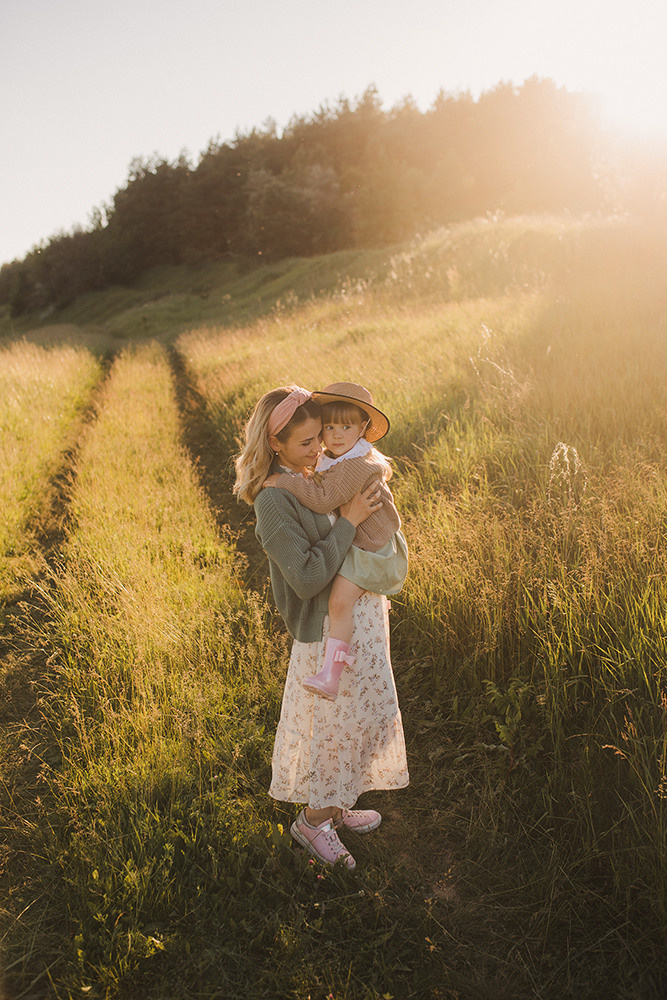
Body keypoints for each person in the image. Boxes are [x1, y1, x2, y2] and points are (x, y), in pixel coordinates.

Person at [233, 384, 409, 870]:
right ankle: (312, 823)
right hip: (325, 629)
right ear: (276, 445)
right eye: (307, 443)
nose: (318, 451)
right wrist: (349, 521)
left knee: (356, 720)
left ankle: (336, 805)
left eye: (321, 438)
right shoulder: (273, 502)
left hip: (358, 614)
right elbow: (310, 578)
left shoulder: (320, 471)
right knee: (331, 728)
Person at [262, 382, 408, 701]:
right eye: (328, 428)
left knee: (341, 605)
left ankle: (333, 675)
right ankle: (332, 673)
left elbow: (324, 499)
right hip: (353, 570)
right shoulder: (329, 463)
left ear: (363, 429)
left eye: (345, 426)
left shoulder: (350, 464)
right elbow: (307, 576)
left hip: (367, 561)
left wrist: (287, 481)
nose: (330, 439)